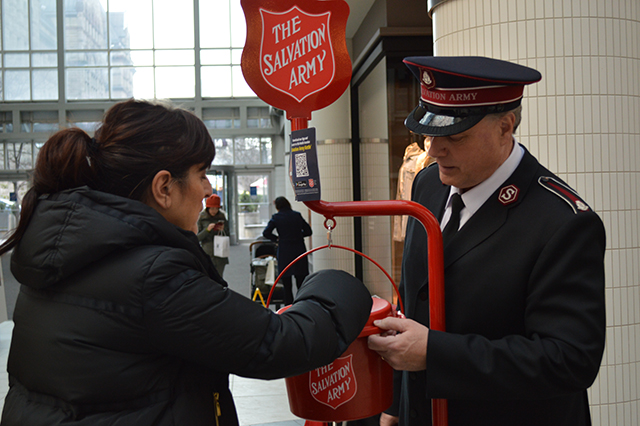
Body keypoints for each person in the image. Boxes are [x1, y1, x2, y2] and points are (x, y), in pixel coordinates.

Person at [0, 99, 373, 426]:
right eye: (201, 173)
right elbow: (281, 344)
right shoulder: (153, 275)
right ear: (164, 188)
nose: (208, 189)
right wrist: (336, 282)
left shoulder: (58, 252)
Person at [368, 56, 606, 426]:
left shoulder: (561, 221)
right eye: (430, 134)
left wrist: (435, 354)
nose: (434, 150)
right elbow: (416, 300)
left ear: (505, 127)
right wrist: (397, 403)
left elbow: (569, 359)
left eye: (456, 136)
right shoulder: (428, 185)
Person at [262, 196, 312, 305]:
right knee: (301, 282)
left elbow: (266, 233)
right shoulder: (297, 215)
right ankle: (302, 304)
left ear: (277, 207)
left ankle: (289, 307)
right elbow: (308, 231)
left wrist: (277, 239)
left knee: (287, 283)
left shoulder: (276, 217)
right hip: (299, 250)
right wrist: (298, 236)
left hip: (285, 251)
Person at [197, 194, 229, 276]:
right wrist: (207, 230)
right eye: (211, 208)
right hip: (208, 252)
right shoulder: (201, 217)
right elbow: (197, 238)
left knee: (219, 277)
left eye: (216, 208)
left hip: (220, 252)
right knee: (208, 277)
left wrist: (223, 229)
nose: (214, 211)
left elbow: (227, 234)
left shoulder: (221, 216)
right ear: (208, 208)